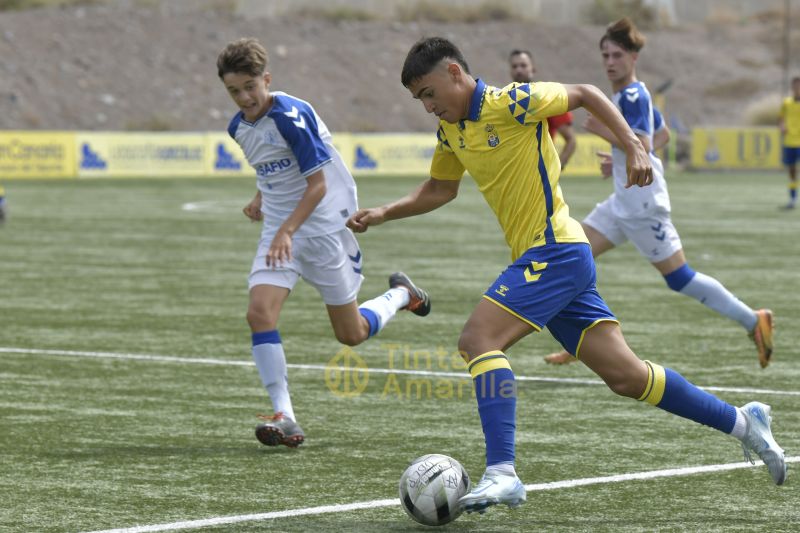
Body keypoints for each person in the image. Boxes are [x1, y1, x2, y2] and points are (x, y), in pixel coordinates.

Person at [347, 36, 786, 514]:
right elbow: (440, 188)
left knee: (478, 340)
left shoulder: (509, 101)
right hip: (557, 257)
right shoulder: (453, 131)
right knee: (628, 376)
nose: (428, 106)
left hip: (554, 249)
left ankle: (502, 473)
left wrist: (634, 148)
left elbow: (585, 93)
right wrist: (386, 212)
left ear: (454, 73)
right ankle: (745, 423)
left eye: (429, 93)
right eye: (419, 100)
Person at [217, 38, 431, 448]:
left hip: (324, 232)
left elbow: (316, 185)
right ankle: (286, 415)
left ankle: (401, 295)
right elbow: (273, 169)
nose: (243, 97)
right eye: (233, 91)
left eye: (250, 87)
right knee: (259, 314)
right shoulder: (237, 127)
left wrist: (286, 231)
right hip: (283, 234)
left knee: (350, 335)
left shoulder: (290, 116)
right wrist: (262, 199)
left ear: (267, 79)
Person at [544, 18, 774, 368]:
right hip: (624, 200)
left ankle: (753, 320)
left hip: (642, 206)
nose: (609, 62)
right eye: (605, 54)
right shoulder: (633, 94)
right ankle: (582, 341)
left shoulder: (634, 94)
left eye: (617, 55)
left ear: (633, 56)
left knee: (679, 277)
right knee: (571, 258)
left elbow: (647, 143)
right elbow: (662, 136)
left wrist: (604, 131)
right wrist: (619, 160)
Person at [509, 49, 577, 169]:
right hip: (515, 173)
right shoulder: (504, 100)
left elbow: (571, 140)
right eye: (514, 66)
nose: (518, 70)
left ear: (533, 69)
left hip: (540, 173)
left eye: (523, 65)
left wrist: (557, 170)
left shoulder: (546, 98)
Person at [780, 76, 800, 210]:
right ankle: (792, 199)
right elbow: (781, 118)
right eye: (795, 86)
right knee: (792, 171)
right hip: (789, 141)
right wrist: (782, 126)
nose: (797, 89)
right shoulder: (786, 103)